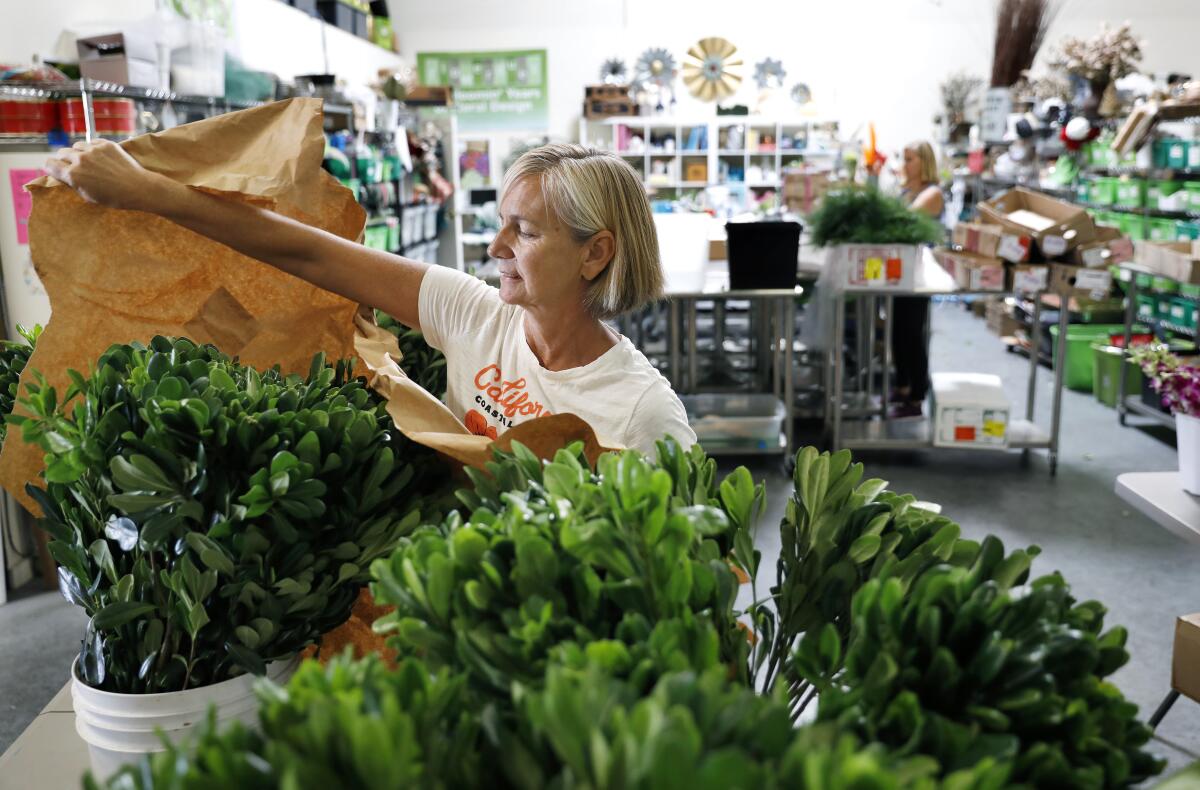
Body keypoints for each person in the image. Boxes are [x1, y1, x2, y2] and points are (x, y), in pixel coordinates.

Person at [43, 139, 696, 456]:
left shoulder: (641, 411)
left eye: (523, 231)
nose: (495, 246)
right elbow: (307, 252)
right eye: (499, 222)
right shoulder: (476, 316)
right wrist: (148, 191)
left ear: (595, 252)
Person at [889, 140, 944, 418]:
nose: (904, 164)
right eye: (904, 158)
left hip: (920, 273)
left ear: (924, 162)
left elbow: (903, 220)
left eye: (910, 159)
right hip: (900, 271)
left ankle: (917, 393)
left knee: (912, 332)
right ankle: (901, 385)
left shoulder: (931, 193)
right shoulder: (905, 191)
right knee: (897, 331)